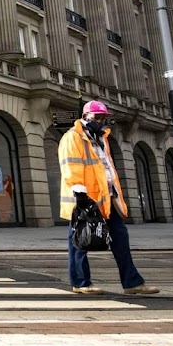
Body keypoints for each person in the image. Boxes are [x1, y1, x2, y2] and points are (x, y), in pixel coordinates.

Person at [58, 100, 159, 295]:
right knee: (80, 240)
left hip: (105, 197)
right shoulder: (73, 137)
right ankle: (80, 283)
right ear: (86, 116)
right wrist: (79, 193)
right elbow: (70, 166)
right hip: (84, 199)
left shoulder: (101, 138)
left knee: (120, 238)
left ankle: (132, 283)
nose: (101, 120)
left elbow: (106, 168)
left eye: (104, 117)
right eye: (97, 117)